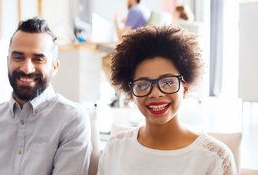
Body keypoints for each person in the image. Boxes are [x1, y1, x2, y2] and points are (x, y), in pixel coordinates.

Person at [97, 25, 237, 175]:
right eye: (143, 84)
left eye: (168, 82)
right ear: (131, 92)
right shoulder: (114, 149)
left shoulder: (215, 158)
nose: (156, 94)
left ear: (185, 87)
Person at [0, 17, 92, 175]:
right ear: (8, 62)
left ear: (54, 66)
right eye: (18, 57)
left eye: (38, 59)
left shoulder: (72, 120)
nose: (27, 68)